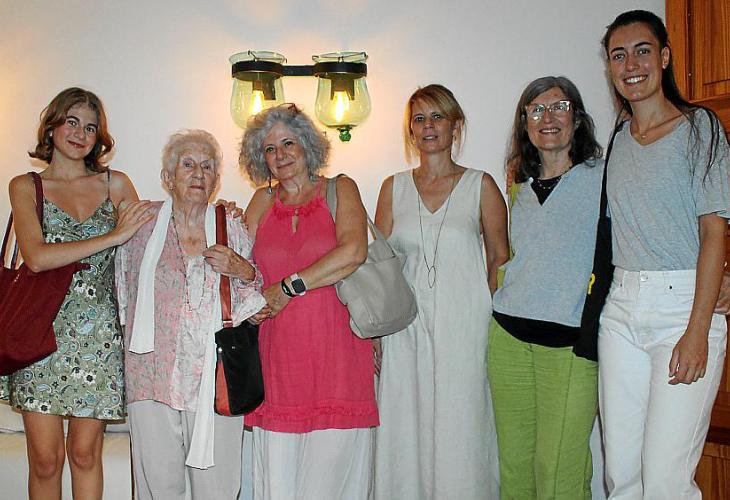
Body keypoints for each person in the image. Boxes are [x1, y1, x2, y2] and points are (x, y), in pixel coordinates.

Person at [599, 10, 730, 499]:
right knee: (622, 477)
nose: (631, 64)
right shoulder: (618, 138)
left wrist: (698, 330)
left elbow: (714, 232)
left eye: (643, 51)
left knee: (665, 482)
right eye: (619, 55)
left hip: (682, 310)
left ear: (665, 57)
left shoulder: (700, 128)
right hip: (621, 310)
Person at [0, 87, 151, 499]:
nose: (80, 134)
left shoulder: (115, 183)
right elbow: (36, 257)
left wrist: (216, 214)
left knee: (85, 454)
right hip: (39, 331)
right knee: (45, 460)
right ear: (51, 127)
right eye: (71, 122)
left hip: (99, 335)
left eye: (89, 127)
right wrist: (113, 236)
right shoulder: (25, 186)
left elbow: (150, 245)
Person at [114, 129, 267, 500]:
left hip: (214, 377)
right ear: (168, 177)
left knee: (217, 487)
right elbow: (121, 292)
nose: (199, 173)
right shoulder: (141, 225)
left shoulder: (231, 226)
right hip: (151, 376)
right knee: (158, 487)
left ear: (216, 181)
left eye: (207, 167)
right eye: (188, 165)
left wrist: (243, 270)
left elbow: (255, 305)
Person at [372, 84, 508, 500]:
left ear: (455, 125)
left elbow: (499, 261)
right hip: (404, 328)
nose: (428, 126)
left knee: (463, 422)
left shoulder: (481, 185)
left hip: (465, 325)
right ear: (410, 130)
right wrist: (376, 334)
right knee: (404, 423)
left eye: (437, 117)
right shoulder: (393, 187)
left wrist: (484, 317)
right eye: (419, 119)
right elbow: (379, 264)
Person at [240, 104, 379, 500]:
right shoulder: (260, 202)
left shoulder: (341, 189)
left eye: (288, 143)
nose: (280, 155)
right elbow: (244, 271)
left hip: (338, 359)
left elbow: (353, 252)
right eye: (269, 149)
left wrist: (288, 288)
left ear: (307, 145)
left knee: (329, 485)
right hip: (276, 364)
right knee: (278, 486)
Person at [488, 76, 604, 499]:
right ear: (525, 123)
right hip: (508, 340)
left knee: (558, 472)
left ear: (577, 118)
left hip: (569, 344)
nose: (548, 117)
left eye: (559, 107)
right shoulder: (517, 183)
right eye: (536, 110)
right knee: (515, 466)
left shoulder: (603, 177)